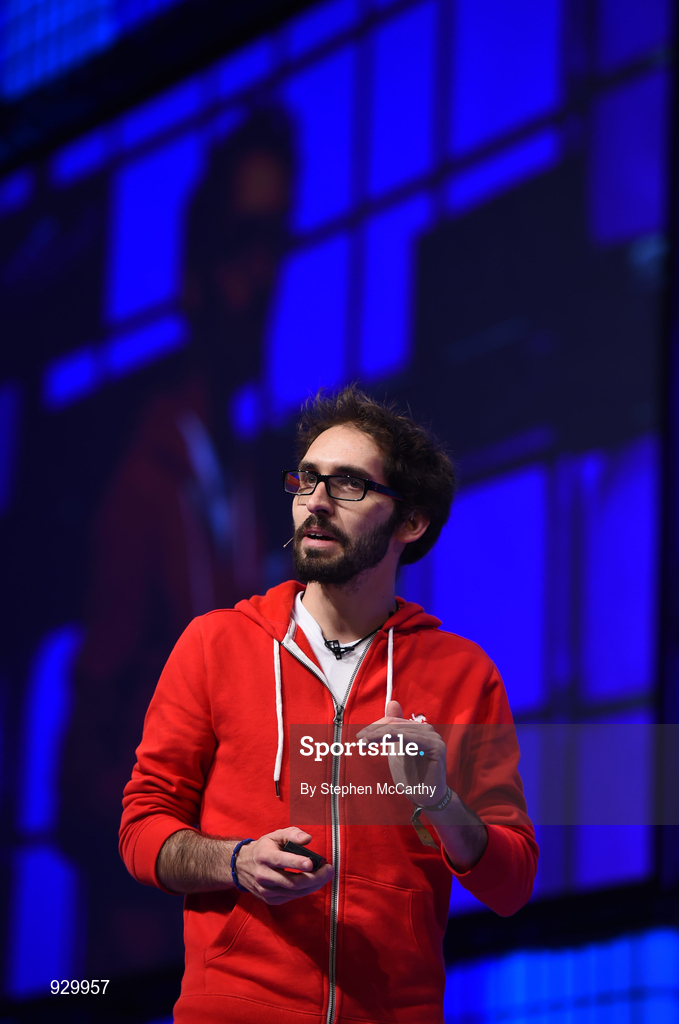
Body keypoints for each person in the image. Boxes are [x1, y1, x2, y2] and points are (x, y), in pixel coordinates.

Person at [119, 386, 538, 1024]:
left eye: (347, 486)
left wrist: (438, 800)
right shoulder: (216, 644)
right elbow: (142, 829)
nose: (314, 503)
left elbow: (511, 886)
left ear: (411, 521)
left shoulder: (463, 674)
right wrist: (235, 861)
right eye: (306, 480)